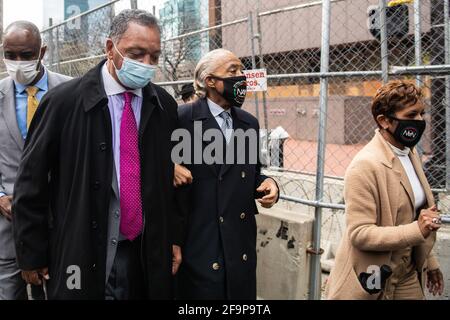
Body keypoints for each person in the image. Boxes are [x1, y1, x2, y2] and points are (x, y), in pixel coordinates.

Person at [12, 10, 181, 300]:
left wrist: (172, 238)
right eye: (136, 53)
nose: (146, 64)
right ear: (109, 48)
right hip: (83, 248)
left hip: (143, 251)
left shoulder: (164, 106)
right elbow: (31, 181)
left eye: (154, 56)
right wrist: (31, 253)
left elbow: (167, 183)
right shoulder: (64, 103)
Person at [174, 49, 279, 300]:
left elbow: (251, 174)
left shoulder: (248, 122)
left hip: (239, 242)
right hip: (200, 241)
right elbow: (154, 170)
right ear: (210, 80)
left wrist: (268, 183)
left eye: (242, 70)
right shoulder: (182, 119)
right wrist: (168, 167)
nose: (241, 77)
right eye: (233, 71)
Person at [325, 80, 444, 300]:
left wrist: (430, 261)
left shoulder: (410, 153)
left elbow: (418, 214)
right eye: (411, 116)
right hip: (371, 277)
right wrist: (417, 230)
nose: (419, 121)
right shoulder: (365, 165)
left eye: (421, 114)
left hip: (407, 273)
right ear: (384, 121)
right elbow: (360, 234)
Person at [0, 21, 71, 300]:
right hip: (8, 227)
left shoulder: (71, 91)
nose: (18, 63)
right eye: (10, 54)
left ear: (42, 52)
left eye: (26, 55)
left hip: (61, 221)